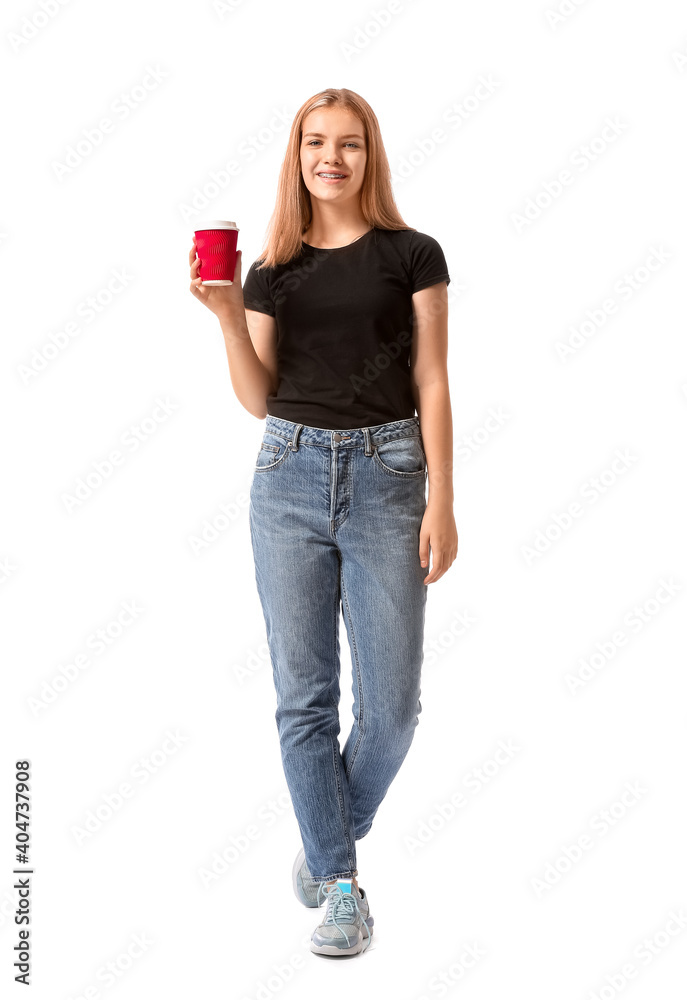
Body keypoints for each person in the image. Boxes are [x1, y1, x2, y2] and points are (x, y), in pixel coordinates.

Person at [188, 87, 458, 957]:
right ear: (295, 154)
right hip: (287, 475)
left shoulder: (412, 254)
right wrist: (231, 318)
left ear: (369, 154)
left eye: (347, 143)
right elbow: (258, 398)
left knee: (393, 710)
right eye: (314, 142)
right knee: (303, 700)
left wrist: (445, 499)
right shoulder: (271, 268)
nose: (329, 158)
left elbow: (431, 382)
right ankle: (341, 883)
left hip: (388, 477)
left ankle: (321, 835)